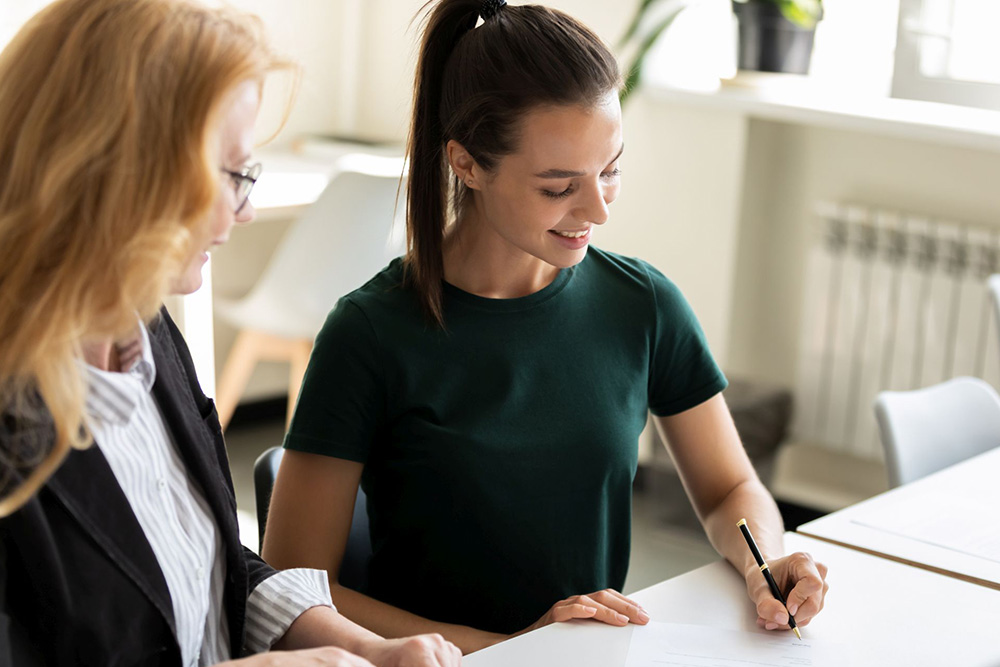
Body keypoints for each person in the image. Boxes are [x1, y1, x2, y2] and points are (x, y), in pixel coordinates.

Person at [262, 0, 829, 655]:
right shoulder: (369, 334)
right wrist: (507, 647)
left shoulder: (642, 304)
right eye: (560, 186)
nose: (597, 210)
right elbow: (291, 589)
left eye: (609, 171)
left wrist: (765, 564)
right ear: (467, 163)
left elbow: (731, 486)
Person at [0, 1, 462, 665]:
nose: (244, 210)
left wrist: (367, 648)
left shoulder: (148, 334)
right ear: (124, 172)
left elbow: (211, 567)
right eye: (234, 174)